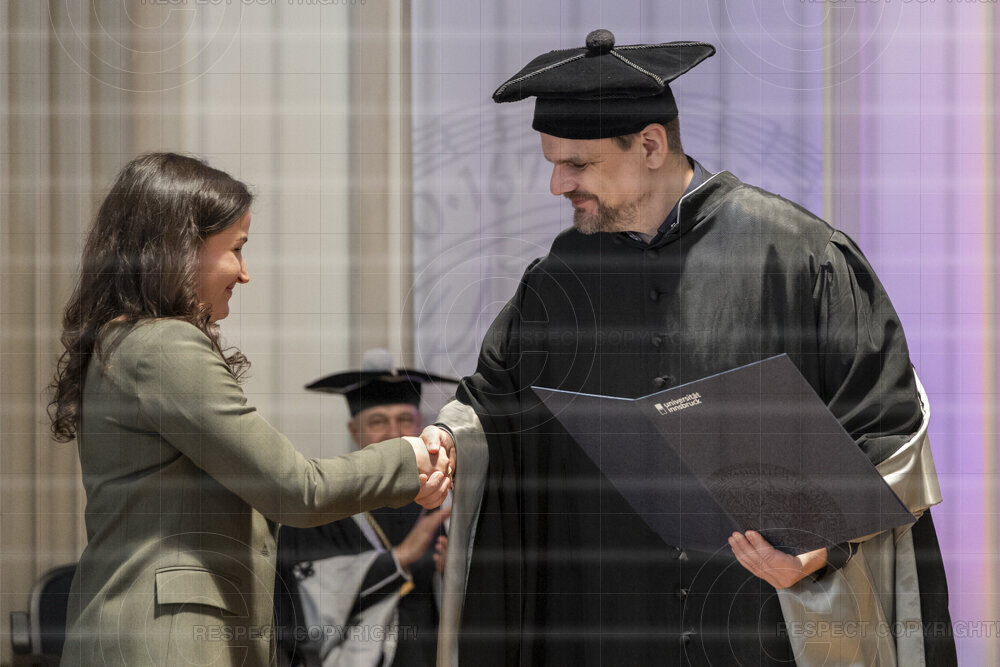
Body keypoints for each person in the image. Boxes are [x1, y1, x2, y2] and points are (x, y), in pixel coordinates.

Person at [422, 30, 955, 667]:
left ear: (650, 145)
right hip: (606, 626)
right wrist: (447, 441)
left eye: (578, 165)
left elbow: (887, 427)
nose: (558, 185)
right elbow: (492, 404)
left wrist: (820, 546)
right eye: (553, 163)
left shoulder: (801, 258)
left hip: (762, 622)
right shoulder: (559, 280)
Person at [48, 152, 452, 667]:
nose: (244, 274)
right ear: (179, 249)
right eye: (236, 250)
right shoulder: (162, 345)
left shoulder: (124, 342)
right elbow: (295, 490)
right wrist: (412, 456)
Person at [274, 351, 456, 666]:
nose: (394, 433)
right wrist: (399, 559)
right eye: (377, 421)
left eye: (405, 420)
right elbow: (302, 593)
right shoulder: (324, 501)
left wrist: (453, 573)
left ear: (419, 426)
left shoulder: (443, 499)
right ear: (354, 431)